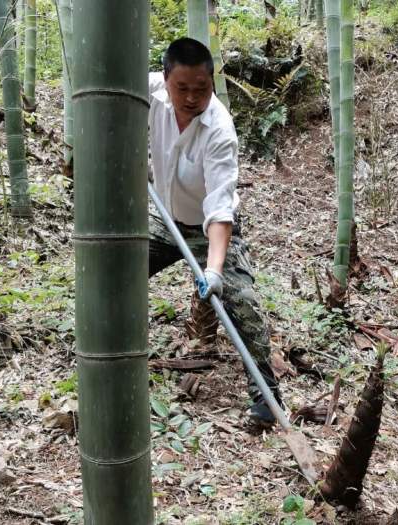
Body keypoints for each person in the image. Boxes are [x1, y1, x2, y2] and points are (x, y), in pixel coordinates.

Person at [147, 38, 282, 426]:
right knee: (117, 269)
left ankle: (267, 398)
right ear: (166, 79)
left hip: (210, 228)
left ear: (212, 82)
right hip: (164, 219)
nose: (191, 98)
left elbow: (220, 208)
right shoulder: (148, 92)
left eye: (201, 89)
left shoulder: (219, 130)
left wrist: (215, 271)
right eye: (182, 88)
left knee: (242, 302)